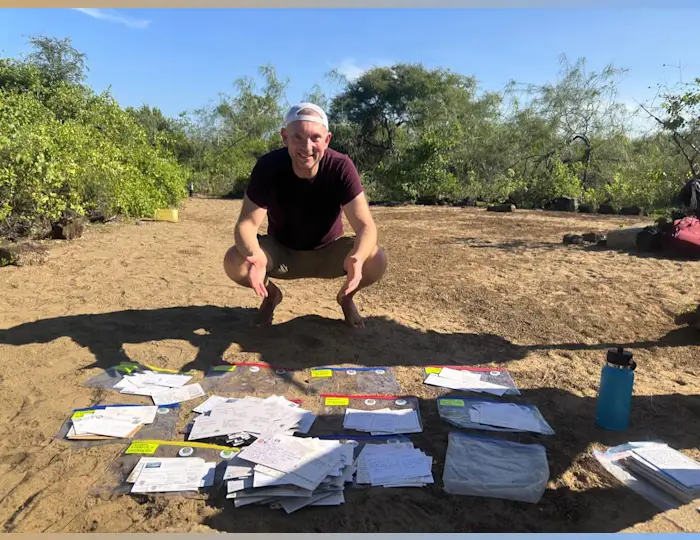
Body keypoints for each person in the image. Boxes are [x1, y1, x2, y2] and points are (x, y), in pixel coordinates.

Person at [223, 102, 388, 328]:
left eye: (315, 138)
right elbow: (247, 224)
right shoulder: (268, 166)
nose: (306, 147)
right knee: (235, 260)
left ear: (327, 140)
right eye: (297, 137)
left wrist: (357, 258)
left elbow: (366, 226)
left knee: (376, 259)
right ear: (284, 137)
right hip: (282, 254)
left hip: (328, 254)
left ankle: (346, 298)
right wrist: (256, 257)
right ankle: (271, 296)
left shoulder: (341, 167)